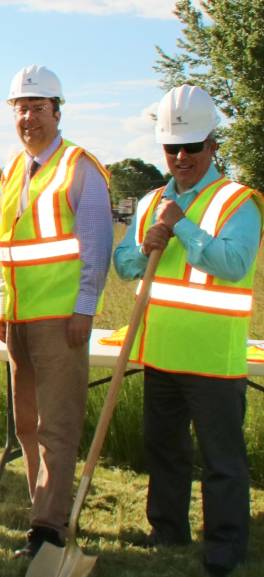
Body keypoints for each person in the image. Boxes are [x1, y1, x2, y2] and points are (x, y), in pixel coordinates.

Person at [113, 86, 258, 577]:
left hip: (214, 357)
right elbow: (125, 263)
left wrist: (184, 228)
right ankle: (166, 531)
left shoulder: (238, 201)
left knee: (221, 460)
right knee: (164, 451)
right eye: (171, 148)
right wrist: (146, 241)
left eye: (192, 147)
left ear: (213, 146)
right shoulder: (152, 200)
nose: (180, 157)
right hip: (161, 352)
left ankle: (224, 545)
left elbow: (235, 264)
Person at [0, 65, 113, 558]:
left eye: (38, 108)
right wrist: (3, 303)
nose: (28, 118)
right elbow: (4, 246)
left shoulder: (79, 166)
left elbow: (97, 243)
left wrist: (85, 308)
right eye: (21, 109)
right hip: (20, 317)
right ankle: (42, 510)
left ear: (57, 112)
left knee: (56, 425)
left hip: (61, 318)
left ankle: (48, 528)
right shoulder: (15, 168)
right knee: (26, 425)